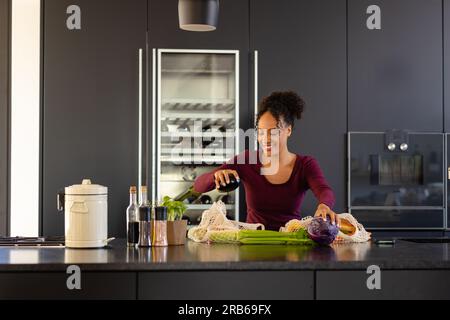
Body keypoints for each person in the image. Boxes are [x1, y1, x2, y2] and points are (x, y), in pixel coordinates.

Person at [194, 91, 339, 230]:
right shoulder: (247, 160)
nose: (265, 139)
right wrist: (215, 176)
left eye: (273, 132)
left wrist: (324, 205)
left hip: (291, 242)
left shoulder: (305, 165)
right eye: (261, 132)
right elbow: (199, 185)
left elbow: (324, 190)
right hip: (252, 243)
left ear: (288, 130)